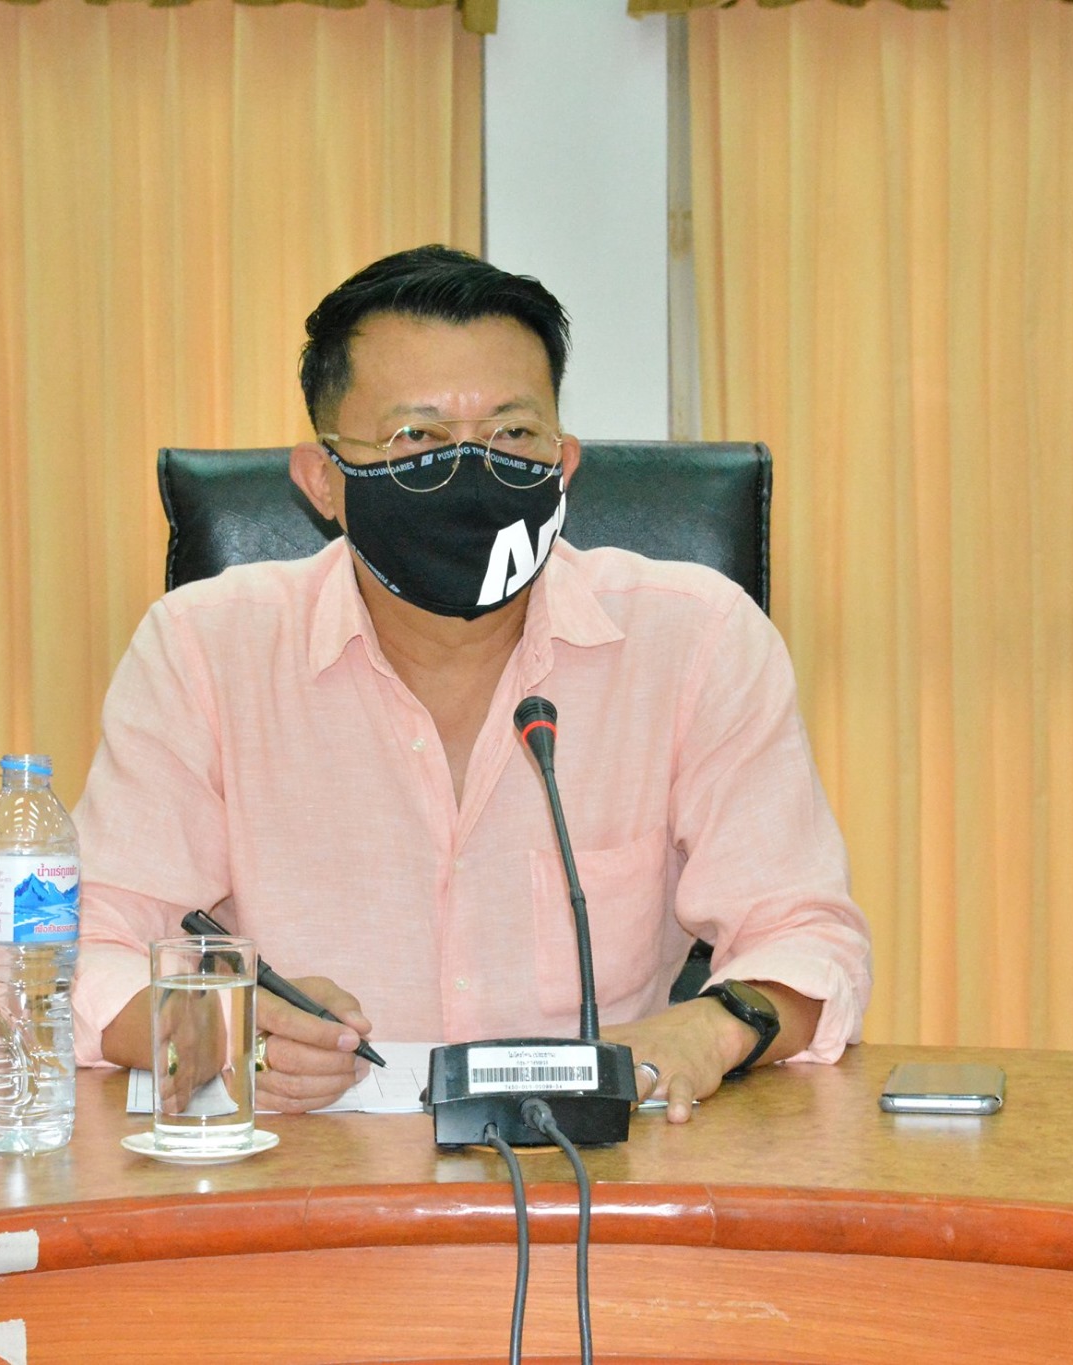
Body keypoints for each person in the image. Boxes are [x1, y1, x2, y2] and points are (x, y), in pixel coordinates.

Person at [71, 245, 871, 1122]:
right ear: (323, 481)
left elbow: (805, 940)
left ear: (564, 465)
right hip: (298, 1167)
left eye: (512, 435)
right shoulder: (203, 650)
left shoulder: (697, 641)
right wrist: (224, 1028)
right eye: (416, 438)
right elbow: (91, 950)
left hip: (595, 1168)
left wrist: (708, 1031)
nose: (470, 472)